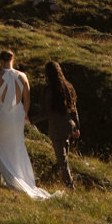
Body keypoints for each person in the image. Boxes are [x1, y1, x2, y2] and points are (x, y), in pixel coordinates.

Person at [0, 50, 51, 200]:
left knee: (1, 146)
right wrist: (25, 114)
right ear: (12, 59)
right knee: (17, 147)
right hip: (18, 116)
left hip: (4, 116)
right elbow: (27, 100)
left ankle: (10, 180)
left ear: (0, 60)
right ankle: (21, 179)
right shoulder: (23, 77)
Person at [33, 60, 80, 188]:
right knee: (62, 158)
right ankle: (49, 178)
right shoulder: (68, 87)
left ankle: (70, 188)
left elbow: (46, 113)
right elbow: (74, 109)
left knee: (63, 160)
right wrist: (76, 127)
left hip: (56, 128)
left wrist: (30, 121)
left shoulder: (48, 91)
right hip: (69, 126)